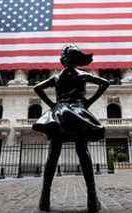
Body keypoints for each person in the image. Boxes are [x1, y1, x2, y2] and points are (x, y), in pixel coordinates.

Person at [32, 44, 109, 212]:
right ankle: (92, 198)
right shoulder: (83, 75)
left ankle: (44, 199)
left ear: (63, 61)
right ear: (76, 60)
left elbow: (37, 88)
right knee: (82, 150)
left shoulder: (56, 78)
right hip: (78, 113)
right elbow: (105, 83)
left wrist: (53, 105)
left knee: (53, 154)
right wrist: (88, 102)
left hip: (59, 114)